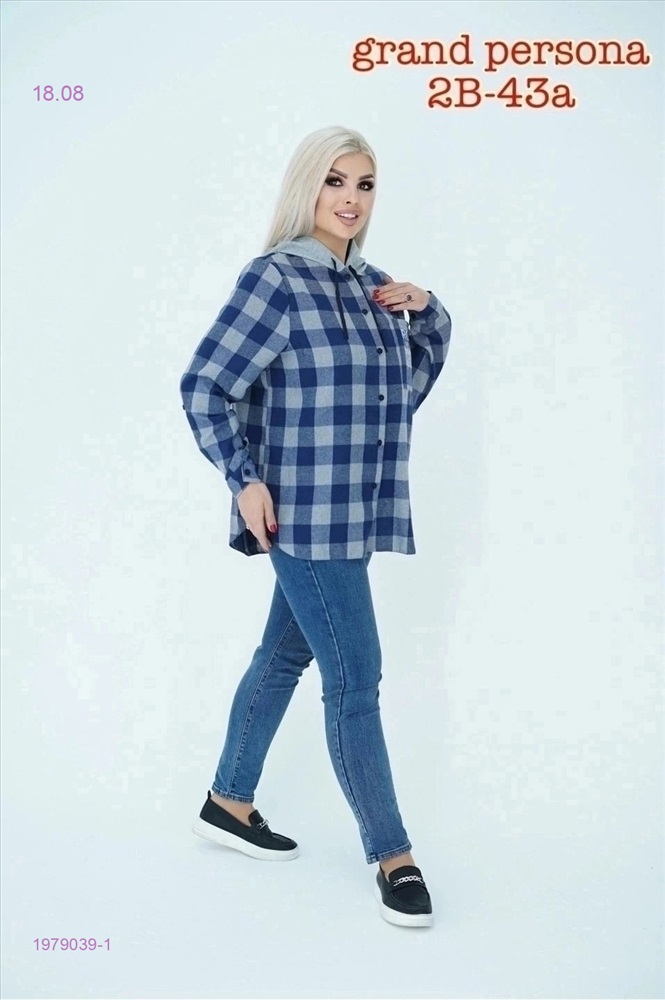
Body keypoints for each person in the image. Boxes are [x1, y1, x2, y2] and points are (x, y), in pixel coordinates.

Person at [180, 125, 452, 928]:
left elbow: (399, 393)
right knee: (355, 681)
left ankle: (228, 801)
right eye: (335, 180)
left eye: (364, 184)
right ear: (307, 186)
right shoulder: (276, 279)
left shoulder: (371, 286)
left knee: (283, 654)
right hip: (300, 514)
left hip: (351, 511)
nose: (350, 198)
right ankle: (393, 856)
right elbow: (204, 385)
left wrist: (426, 312)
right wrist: (243, 478)